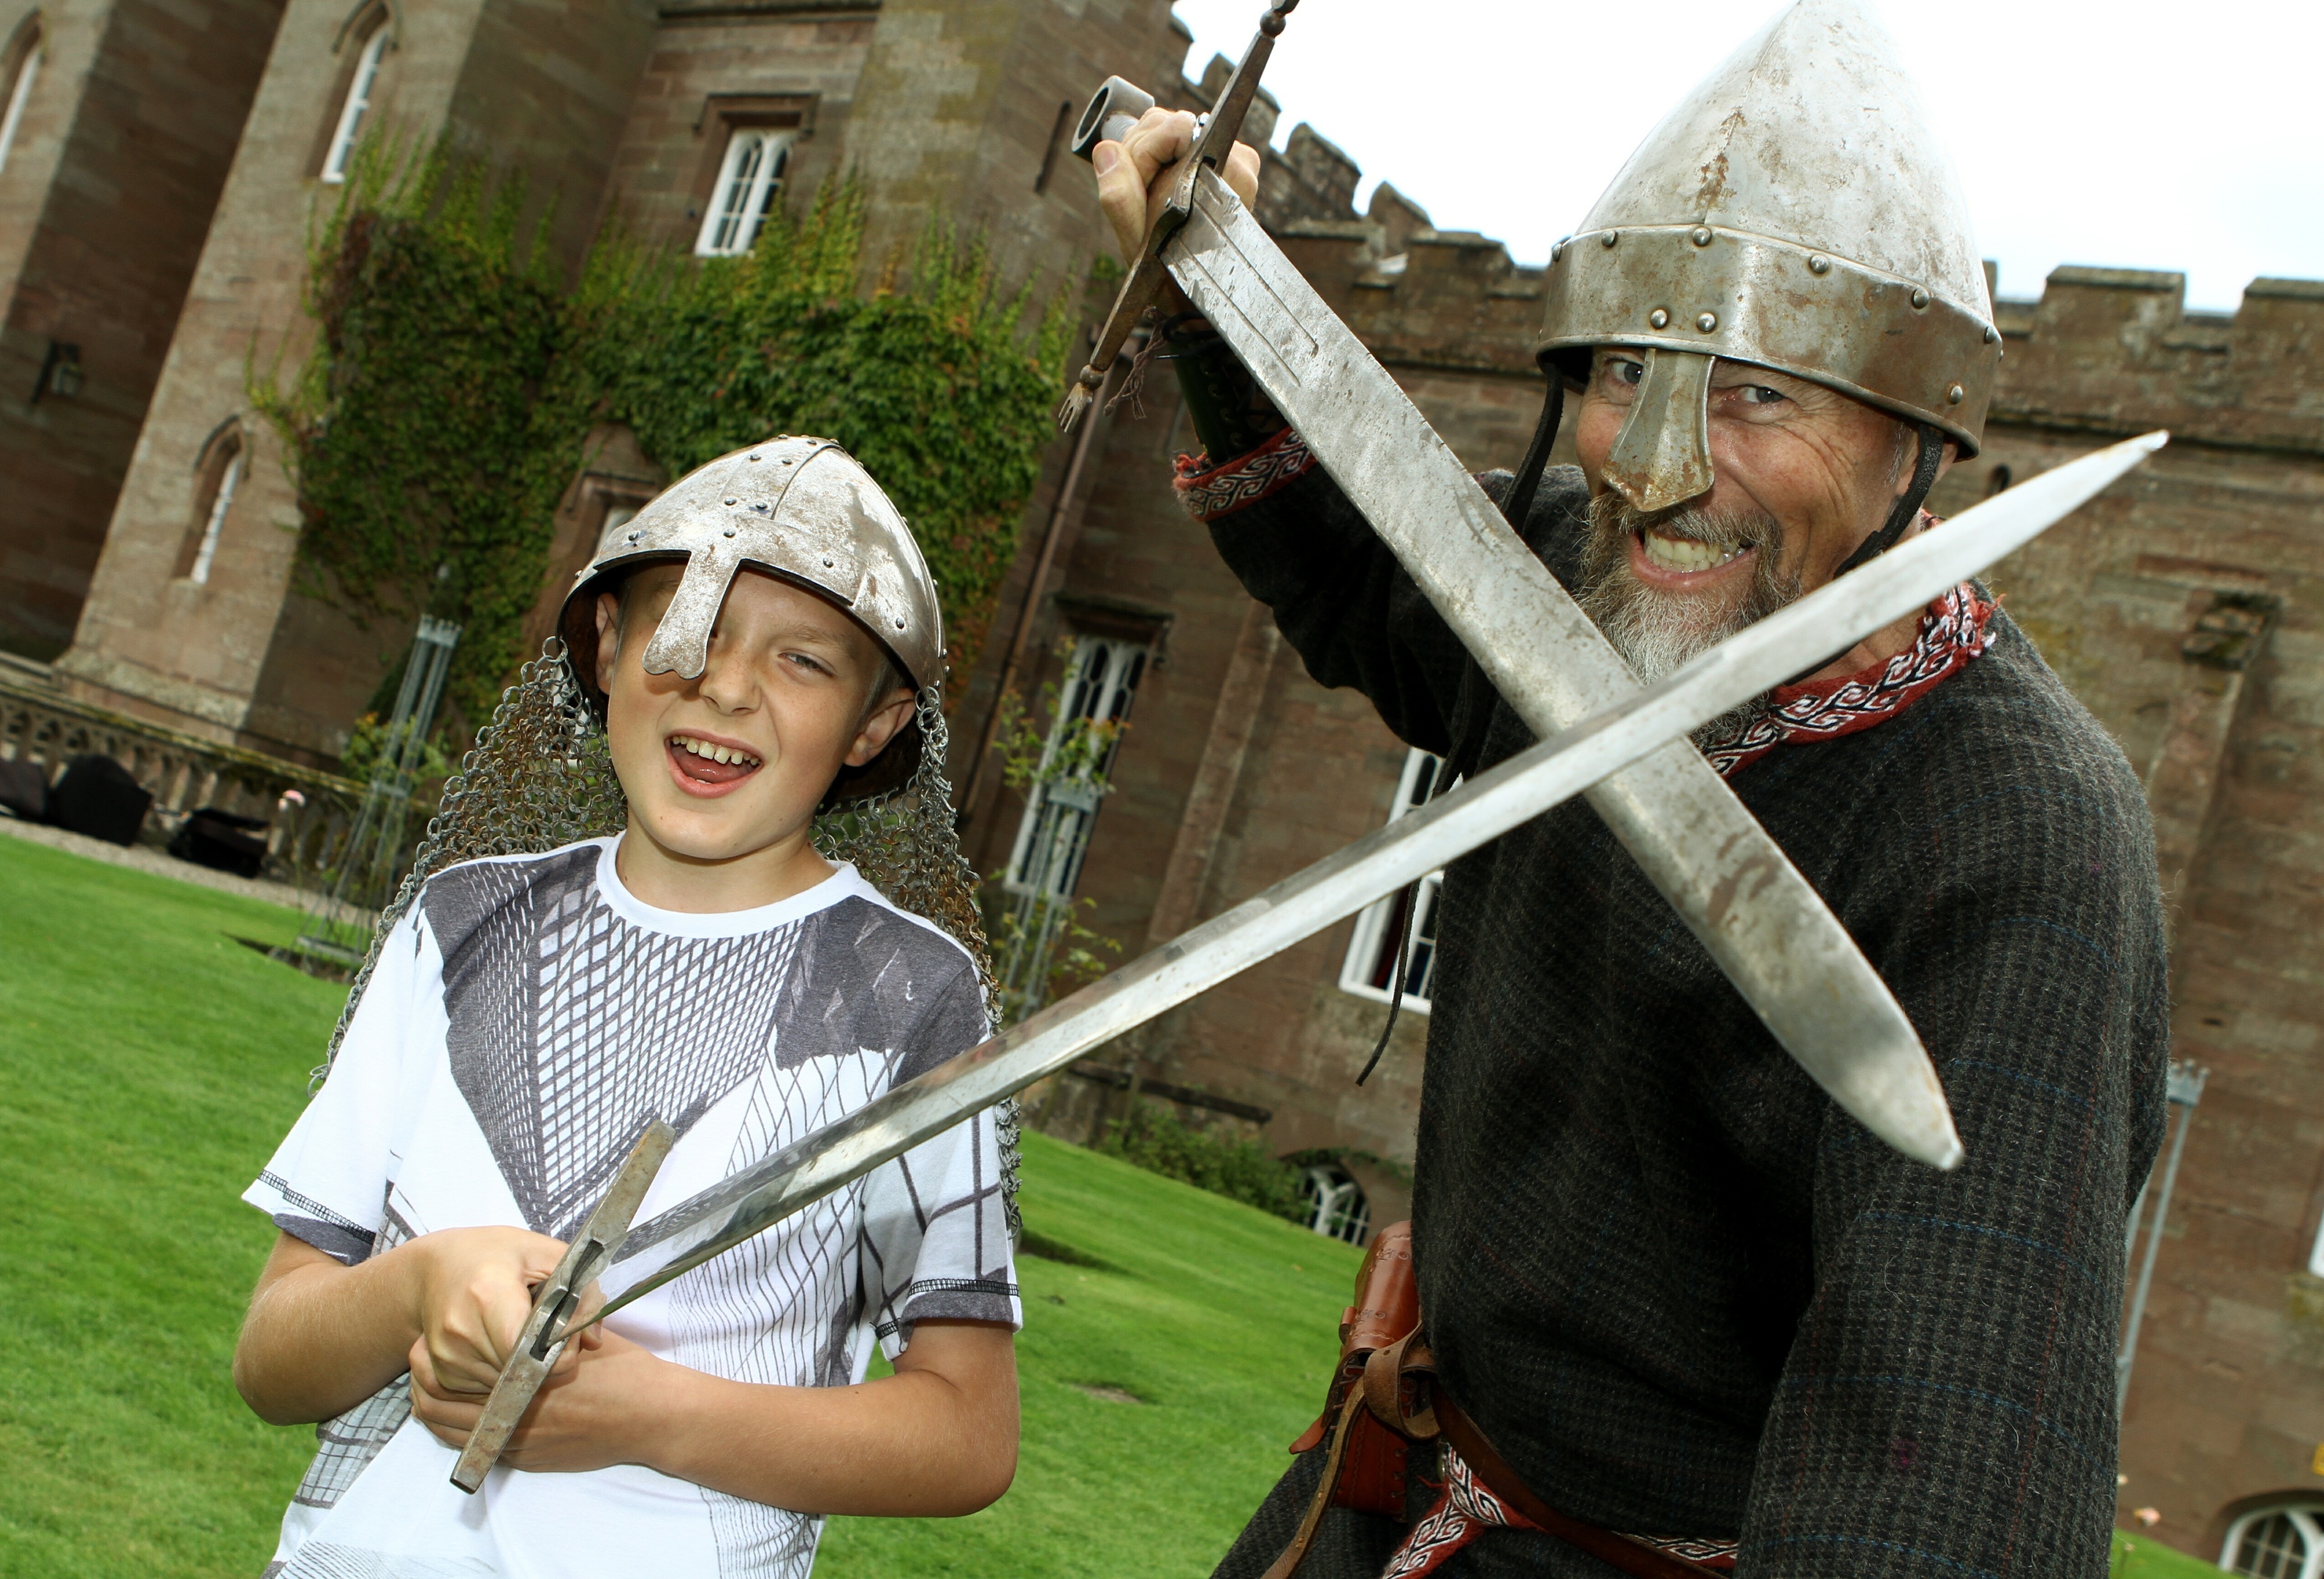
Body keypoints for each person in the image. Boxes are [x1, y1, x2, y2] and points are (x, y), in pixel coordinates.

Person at [1092, 2, 2168, 1575]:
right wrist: (1211, 284)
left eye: (1760, 392)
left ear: (1915, 443)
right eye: (1618, 372)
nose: (1653, 466)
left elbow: (1945, 1462)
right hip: (1391, 1485)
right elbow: (1358, 565)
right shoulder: (1569, 590)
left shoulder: (2022, 836)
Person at [232, 436, 1021, 1579]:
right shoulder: (461, 924)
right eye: (685, 631)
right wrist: (417, 1283)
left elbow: (965, 1434)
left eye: (803, 661)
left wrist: (648, 1413)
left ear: (876, 725)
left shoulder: (910, 997)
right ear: (606, 646)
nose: (727, 687)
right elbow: (272, 1362)